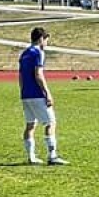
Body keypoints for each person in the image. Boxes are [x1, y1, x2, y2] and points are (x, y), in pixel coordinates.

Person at [19, 27, 68, 166]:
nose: (46, 42)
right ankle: (52, 156)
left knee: (30, 125)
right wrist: (47, 93)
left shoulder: (24, 54)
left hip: (26, 95)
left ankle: (31, 156)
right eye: (46, 39)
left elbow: (21, 76)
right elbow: (38, 74)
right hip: (37, 94)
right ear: (41, 38)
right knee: (50, 123)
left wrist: (22, 92)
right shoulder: (38, 52)